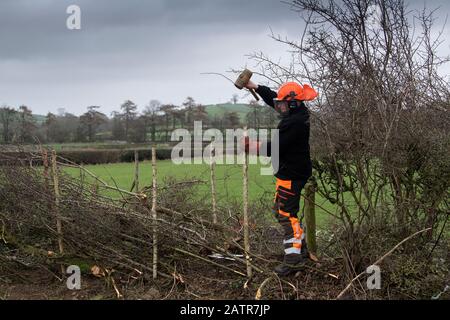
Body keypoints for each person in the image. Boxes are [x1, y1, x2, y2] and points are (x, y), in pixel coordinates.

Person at [243, 80, 318, 276]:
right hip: (291, 172)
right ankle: (300, 250)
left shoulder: (294, 123)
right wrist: (256, 87)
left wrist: (253, 146)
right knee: (281, 211)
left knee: (286, 216)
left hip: (291, 175)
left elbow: (275, 149)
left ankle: (293, 261)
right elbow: (276, 99)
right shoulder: (297, 110)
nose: (279, 107)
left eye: (283, 104)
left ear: (292, 103)